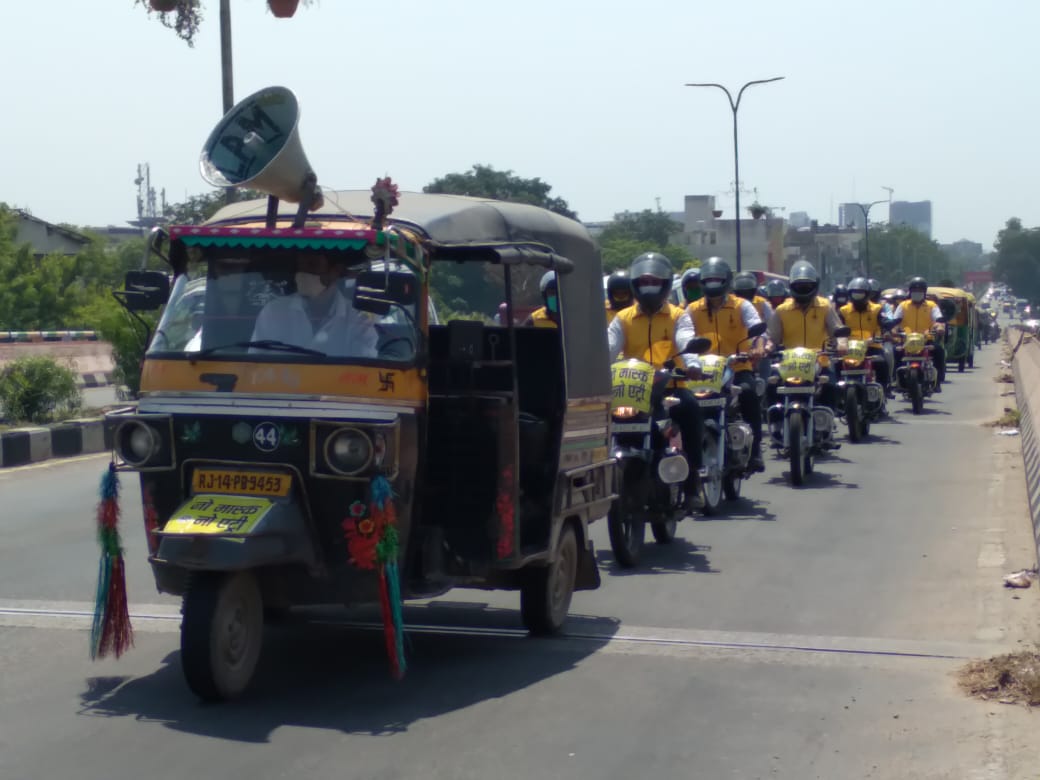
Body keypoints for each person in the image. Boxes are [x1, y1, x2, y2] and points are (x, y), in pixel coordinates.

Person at [608, 252, 704, 511]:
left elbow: (685, 338)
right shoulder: (623, 318)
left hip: (669, 388)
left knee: (692, 410)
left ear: (664, 284)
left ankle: (693, 480)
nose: (647, 287)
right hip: (632, 390)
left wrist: (693, 365)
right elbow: (609, 346)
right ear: (635, 286)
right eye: (643, 282)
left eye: (653, 282)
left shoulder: (677, 315)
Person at [678, 257, 768, 472]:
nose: (713, 284)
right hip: (701, 372)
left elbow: (757, 328)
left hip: (736, 367)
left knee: (748, 393)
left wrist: (758, 345)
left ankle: (755, 450)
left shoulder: (742, 305)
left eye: (717, 280)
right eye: (708, 280)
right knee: (684, 405)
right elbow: (682, 334)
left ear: (726, 282)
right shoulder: (691, 310)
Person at [250, 253, 378, 358]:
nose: (303, 274)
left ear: (336, 271)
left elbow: (367, 364)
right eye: (300, 267)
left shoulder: (358, 316)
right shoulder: (273, 312)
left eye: (313, 265)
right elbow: (254, 364)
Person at [767, 260, 844, 409]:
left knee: (831, 387)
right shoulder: (782, 310)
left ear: (815, 285)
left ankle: (825, 420)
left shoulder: (825, 306)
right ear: (791, 286)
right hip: (789, 363)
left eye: (807, 286)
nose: (803, 289)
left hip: (819, 361)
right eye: (799, 285)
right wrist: (767, 348)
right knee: (771, 386)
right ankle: (775, 421)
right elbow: (772, 338)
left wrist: (841, 344)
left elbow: (838, 330)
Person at [891, 276, 946, 392]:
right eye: (915, 291)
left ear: (924, 292)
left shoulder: (932, 306)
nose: (917, 293)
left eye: (920, 291)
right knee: (895, 351)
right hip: (907, 341)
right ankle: (896, 380)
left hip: (926, 340)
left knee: (939, 351)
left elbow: (939, 319)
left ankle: (938, 381)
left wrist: (940, 327)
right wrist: (894, 330)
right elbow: (895, 321)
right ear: (910, 292)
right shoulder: (903, 305)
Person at [841, 277, 892, 396]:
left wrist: (886, 329)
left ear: (867, 294)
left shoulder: (877, 309)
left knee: (882, 363)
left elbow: (883, 321)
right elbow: (838, 328)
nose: (857, 297)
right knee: (836, 365)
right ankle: (840, 395)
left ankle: (883, 392)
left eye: (860, 294)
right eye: (855, 294)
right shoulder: (843, 310)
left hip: (872, 345)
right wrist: (837, 342)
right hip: (849, 348)